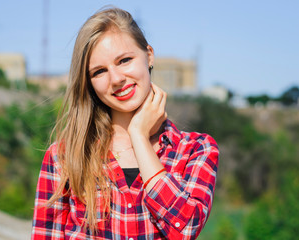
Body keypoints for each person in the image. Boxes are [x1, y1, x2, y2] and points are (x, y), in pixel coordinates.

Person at [31, 6, 219, 240]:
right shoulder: (64, 157)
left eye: (125, 60)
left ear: (149, 55)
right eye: (99, 71)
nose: (116, 79)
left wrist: (138, 136)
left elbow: (186, 228)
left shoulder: (196, 150)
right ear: (89, 82)